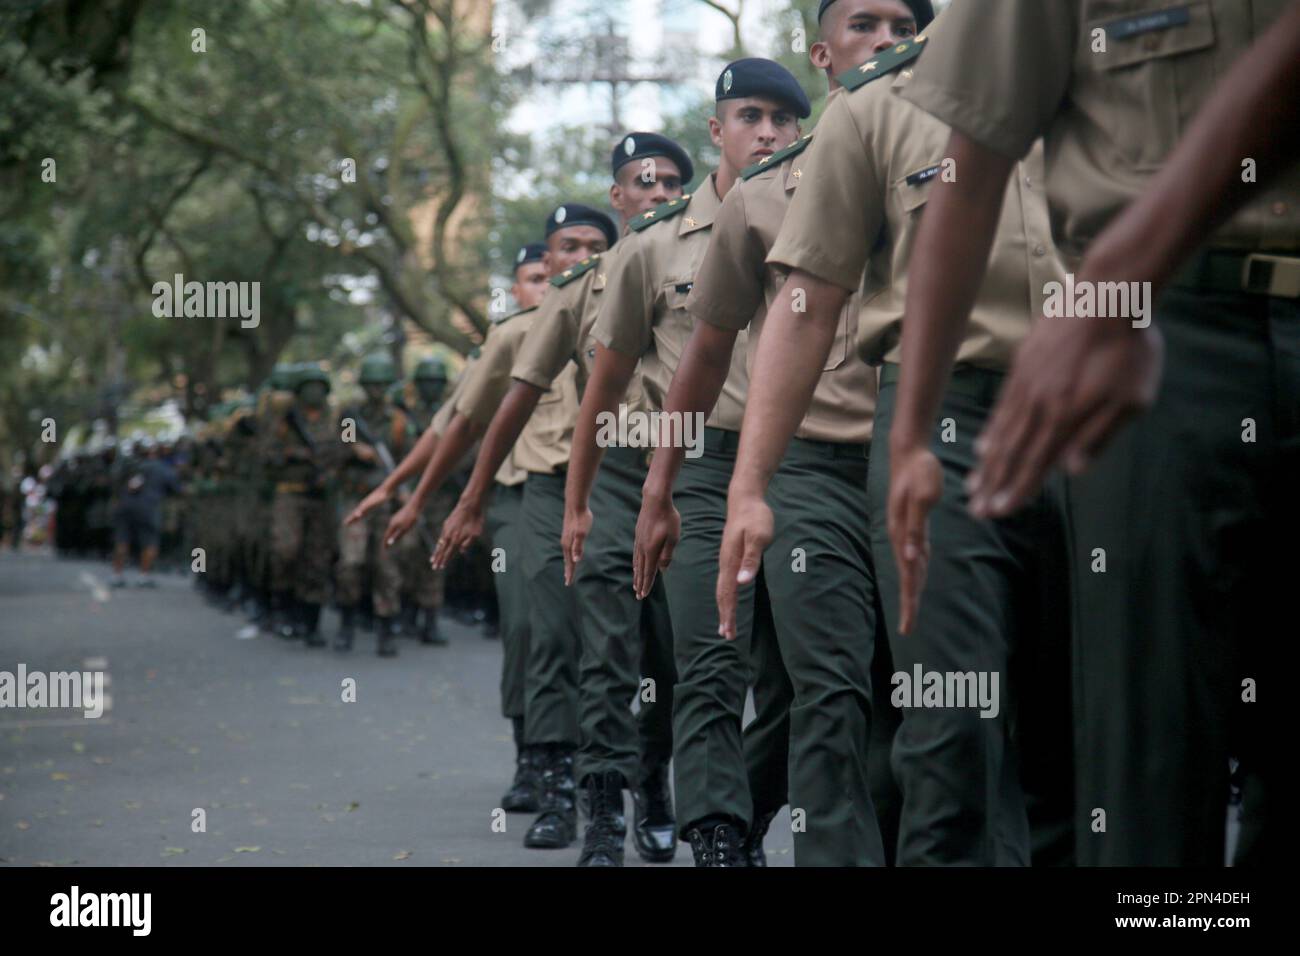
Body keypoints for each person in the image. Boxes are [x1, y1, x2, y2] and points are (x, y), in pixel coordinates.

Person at [890, 0, 1299, 866]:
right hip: (1159, 336)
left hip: (1121, 307)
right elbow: (974, 165)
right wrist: (912, 435)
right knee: (1150, 767)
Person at [718, 7, 1077, 865]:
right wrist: (748, 486)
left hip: (1096, 423)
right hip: (943, 423)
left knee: (1088, 723)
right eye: (864, 19)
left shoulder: (1091, 80)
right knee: (951, 723)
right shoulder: (873, 110)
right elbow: (804, 307)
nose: (885, 32)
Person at [634, 0, 934, 867]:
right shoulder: (766, 198)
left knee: (911, 695)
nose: (886, 42)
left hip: (926, 456)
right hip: (794, 469)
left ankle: (782, 817)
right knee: (802, 683)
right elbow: (700, 355)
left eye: (903, 26)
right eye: (864, 26)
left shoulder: (968, 161)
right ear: (825, 54)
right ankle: (727, 827)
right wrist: (662, 487)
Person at [561, 59, 809, 865]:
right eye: (748, 116)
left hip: (805, 463)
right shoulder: (652, 250)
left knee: (794, 679)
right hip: (696, 464)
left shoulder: (826, 216)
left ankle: (749, 813)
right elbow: (602, 387)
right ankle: (714, 836)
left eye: (781, 118)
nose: (766, 133)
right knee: (708, 661)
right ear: (717, 129)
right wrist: (585, 499)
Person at [436, 136, 695, 864]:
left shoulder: (720, 257)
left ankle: (657, 781)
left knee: (675, 656)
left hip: (693, 473)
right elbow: (514, 398)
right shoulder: (584, 288)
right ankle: (603, 810)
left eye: (671, 181)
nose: (657, 191)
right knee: (605, 646)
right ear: (620, 198)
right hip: (611, 475)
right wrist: (474, 498)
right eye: (643, 183)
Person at [336, 352, 415, 656]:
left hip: (386, 502)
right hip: (356, 499)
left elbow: (410, 460)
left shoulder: (398, 422)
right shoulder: (349, 419)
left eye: (382, 385)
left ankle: (386, 628)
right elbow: (333, 454)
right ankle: (346, 624)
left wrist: (406, 492)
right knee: (350, 563)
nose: (377, 391)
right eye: (372, 385)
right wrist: (353, 449)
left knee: (387, 566)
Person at [265, 364, 344, 646]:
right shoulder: (284, 420)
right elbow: (267, 455)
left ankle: (311, 622)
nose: (314, 392)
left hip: (322, 497)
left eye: (318, 387)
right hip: (291, 493)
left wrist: (332, 470)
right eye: (308, 387)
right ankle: (283, 608)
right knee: (285, 549)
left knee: (318, 558)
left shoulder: (337, 419)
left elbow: (347, 449)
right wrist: (294, 454)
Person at [109, 438, 179, 588]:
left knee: (122, 540)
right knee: (150, 542)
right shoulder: (161, 468)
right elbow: (175, 488)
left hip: (125, 506)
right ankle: (144, 576)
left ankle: (117, 575)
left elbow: (113, 482)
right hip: (148, 508)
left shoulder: (127, 465)